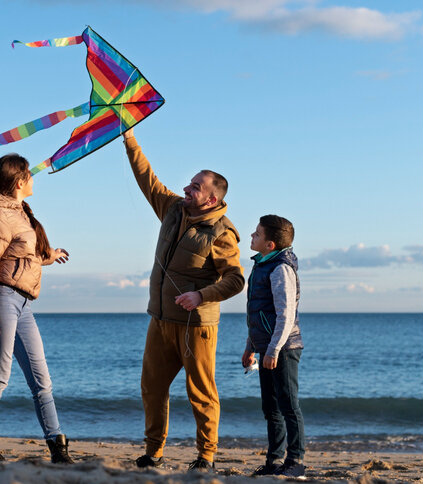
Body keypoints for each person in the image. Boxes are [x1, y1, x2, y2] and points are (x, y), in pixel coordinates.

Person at [122, 128, 245, 472]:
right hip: (160, 320)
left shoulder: (221, 233)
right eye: (189, 184)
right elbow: (148, 179)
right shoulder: (174, 209)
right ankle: (153, 452)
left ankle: (206, 456)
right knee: (152, 388)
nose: (187, 189)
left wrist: (201, 295)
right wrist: (130, 139)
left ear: (211, 198)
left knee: (201, 393)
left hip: (196, 326)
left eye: (195, 187)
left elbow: (236, 279)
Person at [0, 153, 74, 464]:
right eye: (30, 174)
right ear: (19, 182)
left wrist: (48, 257)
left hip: (24, 303)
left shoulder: (20, 212)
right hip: (2, 300)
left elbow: (20, 259)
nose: (33, 179)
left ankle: (58, 447)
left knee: (42, 379)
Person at [241, 215, 305, 479]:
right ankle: (275, 461)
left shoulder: (281, 269)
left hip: (284, 349)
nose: (251, 237)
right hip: (266, 347)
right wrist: (251, 347)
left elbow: (285, 315)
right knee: (271, 407)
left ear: (270, 243)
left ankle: (296, 461)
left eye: (256, 234)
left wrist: (274, 350)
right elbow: (258, 313)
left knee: (288, 405)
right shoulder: (262, 265)